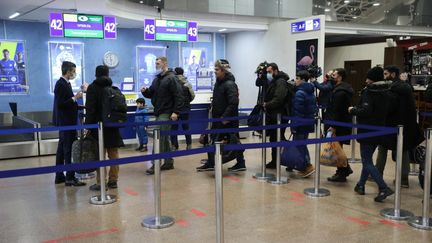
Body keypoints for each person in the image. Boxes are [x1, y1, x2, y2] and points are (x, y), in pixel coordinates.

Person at [348, 66, 394, 202]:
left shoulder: (369, 92)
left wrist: (353, 110)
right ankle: (360, 185)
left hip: (367, 131)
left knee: (367, 161)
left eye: (368, 77)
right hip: (379, 130)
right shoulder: (387, 91)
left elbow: (366, 110)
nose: (366, 80)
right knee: (367, 160)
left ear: (372, 79)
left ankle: (384, 188)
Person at [375, 65, 424, 188]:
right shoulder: (406, 87)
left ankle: (377, 174)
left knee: (382, 148)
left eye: (386, 74)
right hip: (406, 125)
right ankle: (403, 179)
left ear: (392, 74)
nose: (384, 77)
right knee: (403, 150)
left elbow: (388, 108)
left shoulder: (391, 89)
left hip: (390, 125)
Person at [196, 59, 246, 172]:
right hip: (218, 118)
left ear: (224, 70)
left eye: (217, 69)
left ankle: (240, 163)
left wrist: (225, 117)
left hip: (226, 120)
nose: (215, 71)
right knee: (214, 140)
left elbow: (233, 103)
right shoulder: (219, 84)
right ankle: (212, 162)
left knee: (232, 140)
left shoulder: (229, 84)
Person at [141, 57, 184, 175]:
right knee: (164, 138)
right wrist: (145, 91)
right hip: (159, 112)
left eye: (158, 63)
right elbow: (151, 94)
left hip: (167, 112)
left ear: (165, 63)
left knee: (158, 136)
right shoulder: (157, 80)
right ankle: (169, 161)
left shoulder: (171, 78)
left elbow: (179, 95)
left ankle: (155, 164)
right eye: (155, 63)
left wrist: (176, 111)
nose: (156, 65)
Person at [85, 65, 124, 190]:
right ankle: (113, 180)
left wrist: (88, 125)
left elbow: (90, 109)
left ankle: (101, 182)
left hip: (98, 126)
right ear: (107, 74)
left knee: (100, 155)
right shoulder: (112, 87)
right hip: (112, 125)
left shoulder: (92, 88)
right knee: (113, 154)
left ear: (96, 74)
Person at [52, 61, 86, 187]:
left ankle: (59, 176)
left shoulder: (66, 84)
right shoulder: (61, 84)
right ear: (67, 71)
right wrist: (75, 98)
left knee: (61, 150)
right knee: (68, 149)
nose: (74, 73)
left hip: (67, 121)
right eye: (73, 71)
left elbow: (67, 102)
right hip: (66, 122)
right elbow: (61, 104)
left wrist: (78, 104)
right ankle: (70, 178)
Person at [325, 68, 354, 182]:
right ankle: (345, 169)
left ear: (340, 77)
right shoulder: (341, 88)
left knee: (337, 149)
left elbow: (337, 110)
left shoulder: (340, 92)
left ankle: (342, 172)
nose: (332, 75)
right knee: (338, 148)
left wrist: (333, 126)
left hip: (339, 124)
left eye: (334, 74)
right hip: (342, 123)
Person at [263, 63, 291, 169]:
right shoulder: (274, 81)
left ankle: (284, 159)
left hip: (279, 115)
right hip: (274, 115)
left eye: (269, 72)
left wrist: (267, 104)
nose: (268, 74)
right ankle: (275, 160)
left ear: (275, 70)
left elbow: (279, 98)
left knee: (278, 138)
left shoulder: (281, 82)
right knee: (274, 139)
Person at [291, 70, 317, 177]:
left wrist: (295, 126)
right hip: (308, 122)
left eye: (297, 78)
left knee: (300, 145)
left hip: (300, 124)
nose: (295, 81)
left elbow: (298, 112)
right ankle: (304, 166)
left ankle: (307, 165)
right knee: (302, 144)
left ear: (302, 80)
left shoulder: (299, 93)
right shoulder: (310, 91)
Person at [170, 67, 195, 150]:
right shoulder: (187, 83)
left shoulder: (173, 82)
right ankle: (189, 145)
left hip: (174, 109)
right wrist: (186, 102)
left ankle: (174, 146)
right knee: (186, 127)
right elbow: (192, 96)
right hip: (185, 109)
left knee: (174, 128)